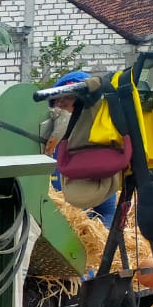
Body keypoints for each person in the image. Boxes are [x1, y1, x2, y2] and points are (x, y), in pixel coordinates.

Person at [45, 69, 117, 228]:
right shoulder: (41, 146)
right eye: (58, 99)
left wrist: (94, 238)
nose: (61, 103)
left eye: (70, 98)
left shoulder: (97, 151)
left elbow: (107, 211)